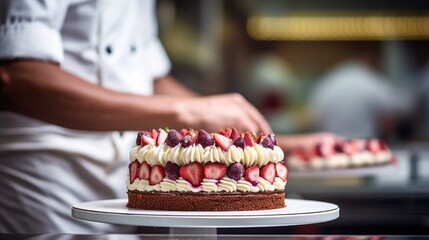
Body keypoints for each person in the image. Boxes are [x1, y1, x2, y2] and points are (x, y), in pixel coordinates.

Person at [0, 0, 338, 233]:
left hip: (124, 192)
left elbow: (150, 80)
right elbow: (16, 78)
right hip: (43, 185)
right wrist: (190, 112)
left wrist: (278, 147)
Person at [309, 42, 399, 139]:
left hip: (333, 147)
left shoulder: (328, 81)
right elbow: (387, 122)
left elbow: (314, 119)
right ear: (371, 56)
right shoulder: (373, 81)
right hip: (368, 147)